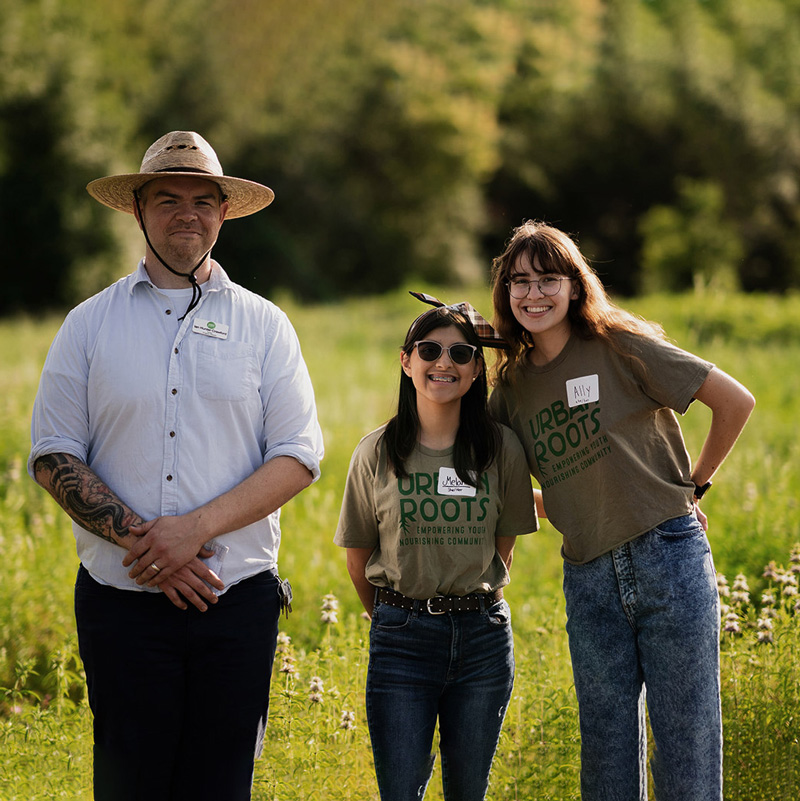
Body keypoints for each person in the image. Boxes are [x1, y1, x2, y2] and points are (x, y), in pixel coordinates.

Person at [28, 131, 324, 801]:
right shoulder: (87, 324)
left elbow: (299, 455)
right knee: (129, 786)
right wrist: (148, 542)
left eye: (202, 199)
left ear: (223, 213)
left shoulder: (266, 325)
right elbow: (53, 453)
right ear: (138, 209)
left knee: (220, 788)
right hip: (121, 605)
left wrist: (192, 530)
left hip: (234, 605)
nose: (186, 213)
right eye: (167, 197)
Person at [488, 220, 755, 801]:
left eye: (548, 279)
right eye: (519, 282)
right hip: (588, 579)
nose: (533, 294)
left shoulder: (619, 344)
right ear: (504, 293)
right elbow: (498, 485)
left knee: (686, 747)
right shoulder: (508, 390)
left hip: (669, 559)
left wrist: (693, 488)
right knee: (606, 757)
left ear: (576, 286)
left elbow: (735, 401)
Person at [334, 294, 538, 801]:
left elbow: (502, 548)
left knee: (468, 791)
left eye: (461, 353)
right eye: (429, 350)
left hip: (483, 641)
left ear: (475, 372)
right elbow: (358, 558)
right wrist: (396, 617)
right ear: (407, 363)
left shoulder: (502, 450)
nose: (444, 362)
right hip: (401, 641)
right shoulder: (375, 452)